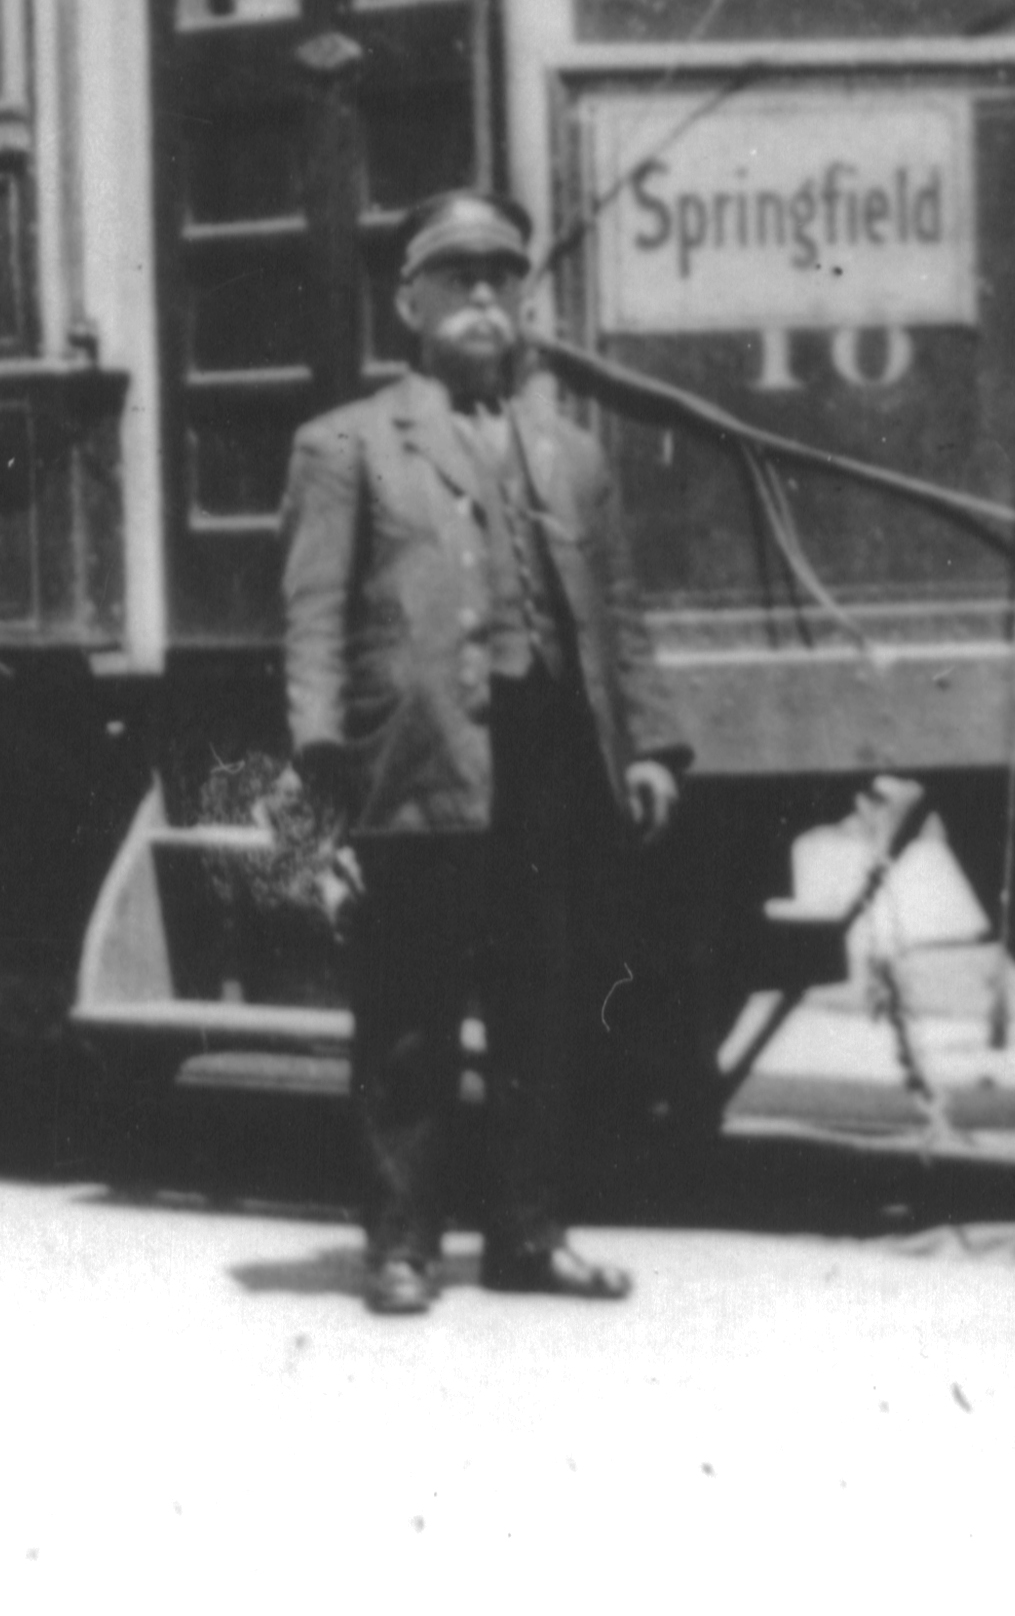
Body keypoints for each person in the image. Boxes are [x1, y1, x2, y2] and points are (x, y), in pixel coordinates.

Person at [280, 190, 692, 1316]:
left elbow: (619, 613)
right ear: (409, 302)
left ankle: (526, 1233)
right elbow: (314, 619)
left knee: (540, 1010)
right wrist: (320, 769)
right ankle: (401, 1244)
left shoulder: (572, 456)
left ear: (523, 302)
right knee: (408, 1013)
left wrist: (650, 744)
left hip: (549, 762)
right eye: (454, 278)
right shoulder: (349, 445)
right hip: (416, 760)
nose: (479, 297)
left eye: (498, 278)